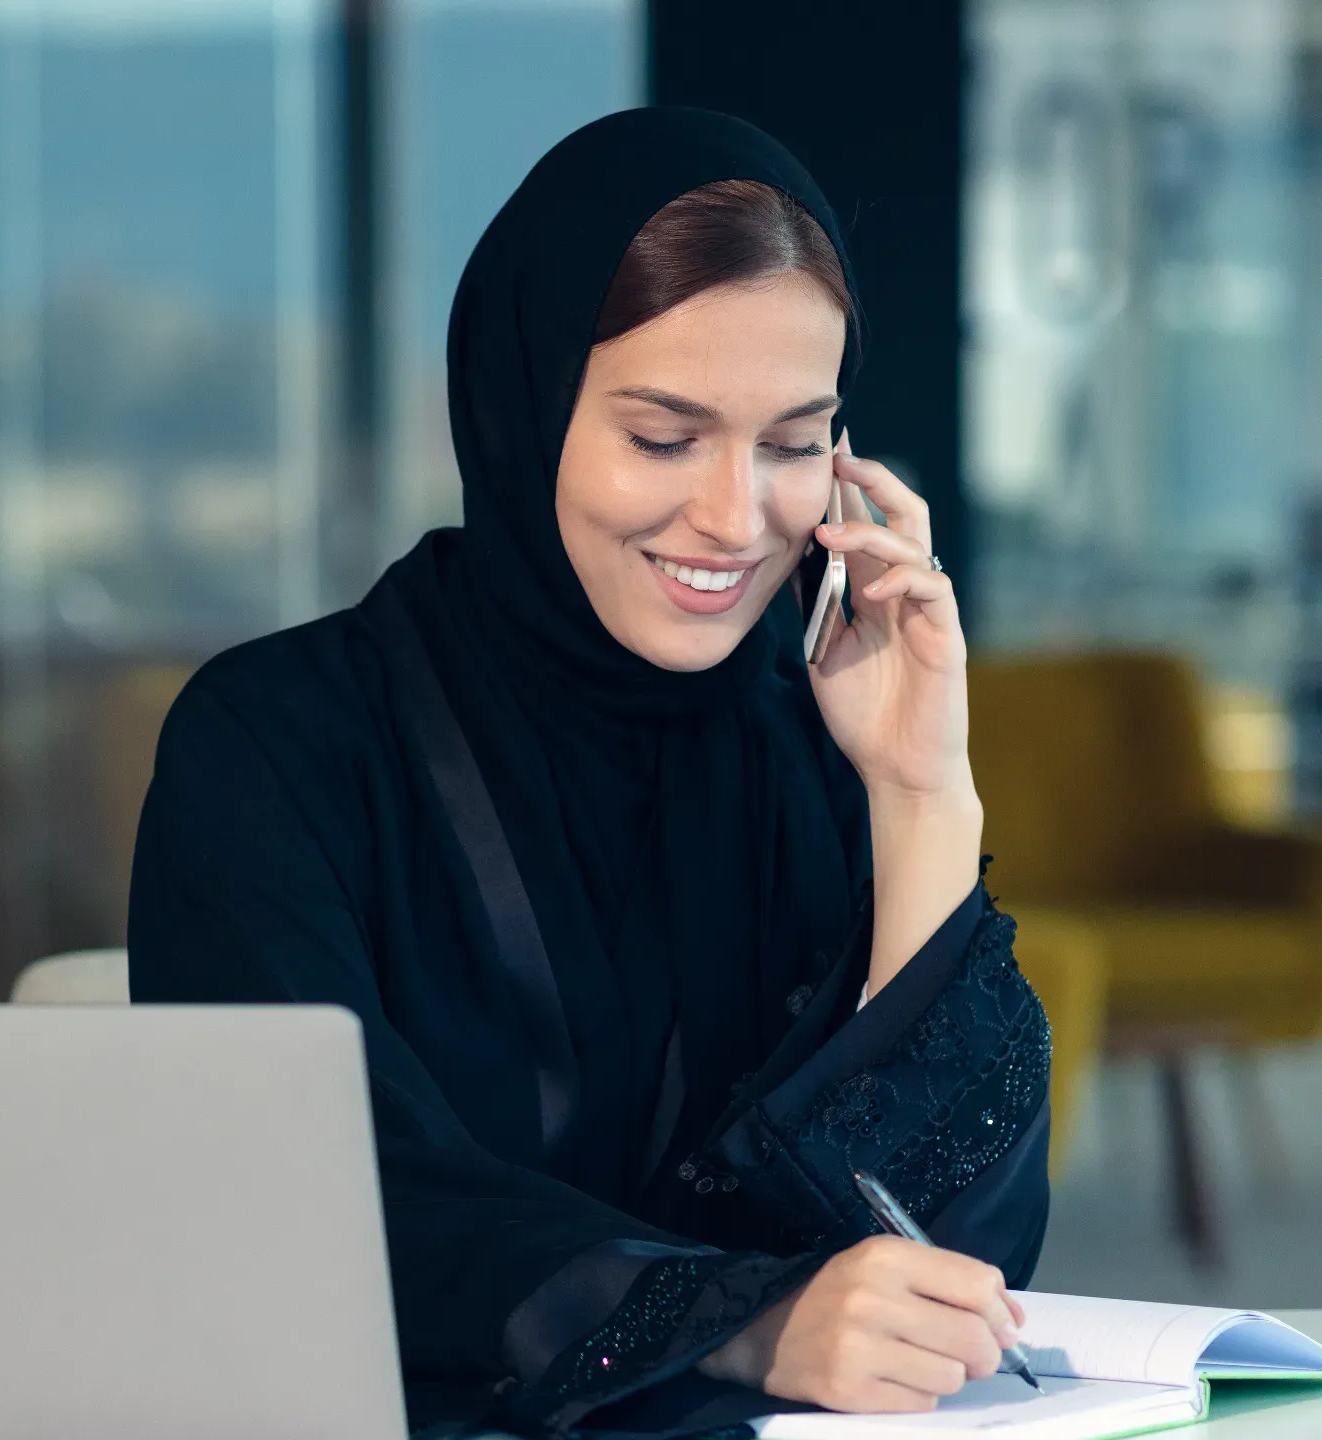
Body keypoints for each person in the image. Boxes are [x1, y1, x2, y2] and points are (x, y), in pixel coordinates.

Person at [127, 108, 1049, 1440]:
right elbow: (312, 1206)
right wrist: (747, 1322)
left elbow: (957, 1275)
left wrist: (921, 799)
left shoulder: (823, 739)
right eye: (664, 438)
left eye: (793, 443)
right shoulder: (281, 744)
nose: (737, 519)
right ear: (523, 403)